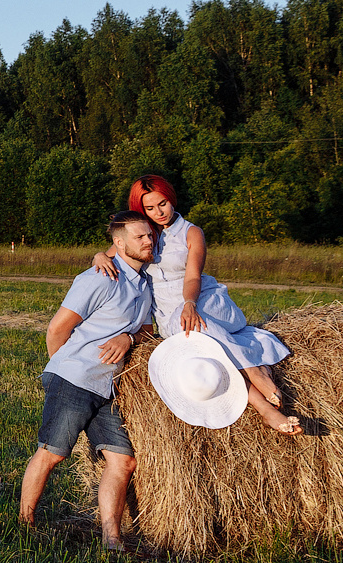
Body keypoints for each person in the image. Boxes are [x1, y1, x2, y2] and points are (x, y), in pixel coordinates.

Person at [95, 173, 301, 436]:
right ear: (140, 209)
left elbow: (193, 275)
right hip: (168, 310)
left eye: (163, 203)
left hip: (201, 297)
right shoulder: (141, 234)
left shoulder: (191, 232)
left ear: (172, 199)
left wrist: (190, 303)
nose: (159, 212)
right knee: (204, 348)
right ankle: (257, 386)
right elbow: (111, 251)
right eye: (149, 208)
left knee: (199, 327)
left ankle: (258, 385)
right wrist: (99, 255)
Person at [21, 208, 157, 552]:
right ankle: (24, 524)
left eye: (150, 235)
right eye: (139, 236)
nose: (148, 240)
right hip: (76, 377)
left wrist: (129, 339)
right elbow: (57, 328)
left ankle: (112, 539)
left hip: (109, 385)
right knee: (53, 453)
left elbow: (146, 331)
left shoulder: (145, 284)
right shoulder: (99, 277)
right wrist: (64, 369)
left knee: (123, 460)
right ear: (119, 243)